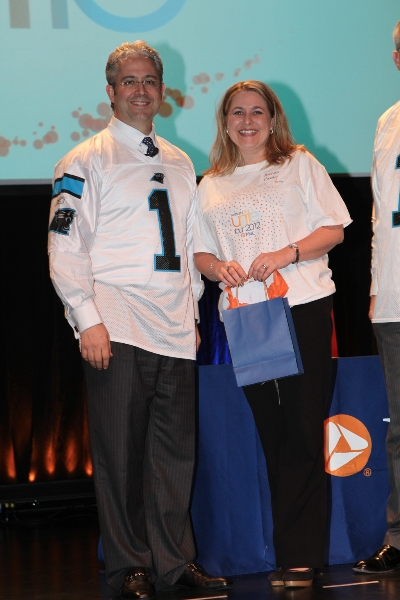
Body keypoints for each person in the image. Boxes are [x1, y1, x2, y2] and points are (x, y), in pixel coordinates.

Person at [48, 41, 230, 599]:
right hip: (117, 317)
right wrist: (87, 318)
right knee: (120, 453)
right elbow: (64, 245)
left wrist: (192, 310)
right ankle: (129, 565)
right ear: (110, 91)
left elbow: (190, 243)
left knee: (174, 453)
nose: (141, 90)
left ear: (162, 89)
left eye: (149, 80)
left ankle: (175, 563)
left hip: (173, 322)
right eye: (129, 81)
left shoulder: (180, 160)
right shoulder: (84, 159)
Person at [193, 80, 351, 588]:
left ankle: (300, 558)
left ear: (273, 119)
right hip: (245, 317)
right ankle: (290, 554)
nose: (247, 121)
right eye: (237, 112)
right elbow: (199, 252)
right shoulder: (210, 183)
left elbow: (334, 228)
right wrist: (217, 267)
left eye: (257, 111)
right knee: (274, 434)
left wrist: (287, 253)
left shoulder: (299, 164)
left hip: (300, 306)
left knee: (303, 430)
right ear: (225, 123)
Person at [353, 21, 400, 575]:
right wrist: (375, 286)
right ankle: (399, 536)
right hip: (393, 298)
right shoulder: (388, 122)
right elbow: (377, 215)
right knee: (399, 429)